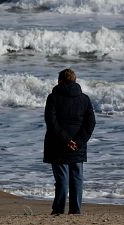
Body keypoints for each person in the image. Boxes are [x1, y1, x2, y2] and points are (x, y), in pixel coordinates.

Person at [43, 68, 96, 215]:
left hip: (57, 144)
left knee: (62, 179)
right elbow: (90, 124)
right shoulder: (84, 99)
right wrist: (77, 141)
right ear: (75, 80)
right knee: (77, 179)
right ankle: (76, 210)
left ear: (59, 81)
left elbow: (51, 122)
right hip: (77, 145)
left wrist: (66, 140)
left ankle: (58, 210)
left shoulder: (53, 98)